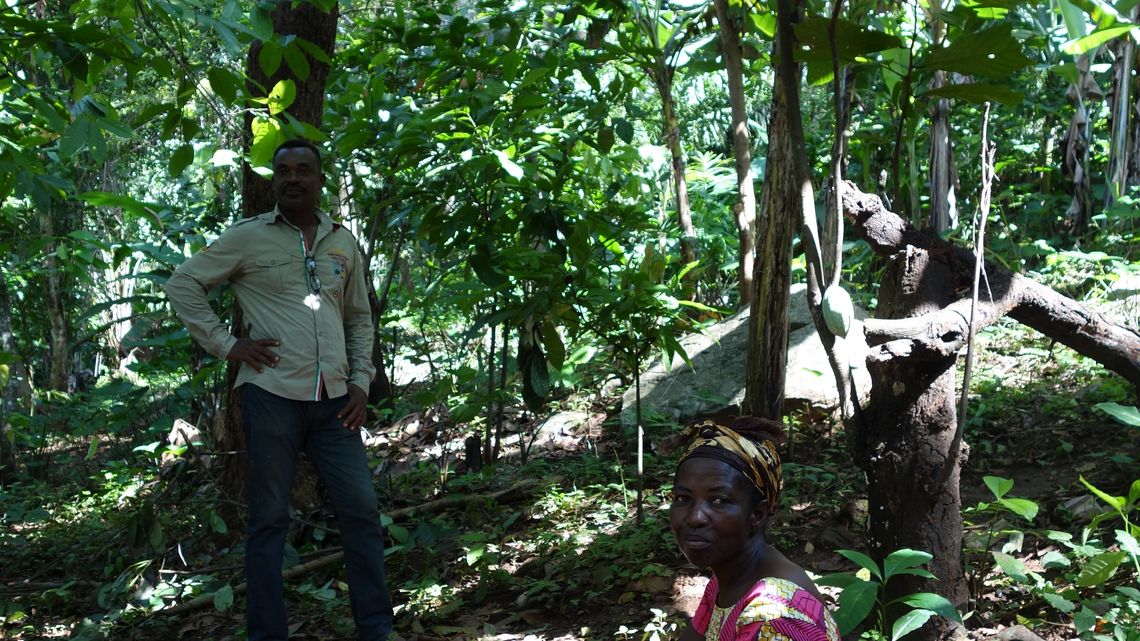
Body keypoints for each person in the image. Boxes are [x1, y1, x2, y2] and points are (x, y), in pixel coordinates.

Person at [165, 139, 395, 641]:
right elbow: (183, 283)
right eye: (283, 171)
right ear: (274, 181)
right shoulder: (248, 237)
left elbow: (358, 318)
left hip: (337, 403)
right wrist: (228, 345)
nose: (293, 178)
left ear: (318, 178)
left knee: (360, 511)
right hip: (271, 396)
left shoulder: (343, 241)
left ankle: (376, 629)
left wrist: (360, 381)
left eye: (303, 170)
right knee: (269, 519)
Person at [670, 417, 840, 641]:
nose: (695, 517)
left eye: (719, 500)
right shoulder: (726, 581)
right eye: (683, 498)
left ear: (757, 515)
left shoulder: (775, 618)